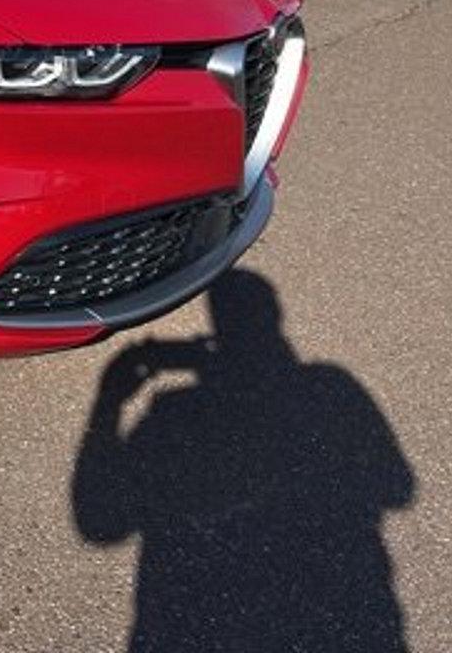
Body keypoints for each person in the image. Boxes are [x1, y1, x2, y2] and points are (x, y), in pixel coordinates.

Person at [72, 269, 415, 652]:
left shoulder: (173, 408)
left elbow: (101, 524)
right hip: (348, 609)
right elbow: (397, 488)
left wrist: (109, 401)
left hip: (185, 620)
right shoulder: (328, 384)